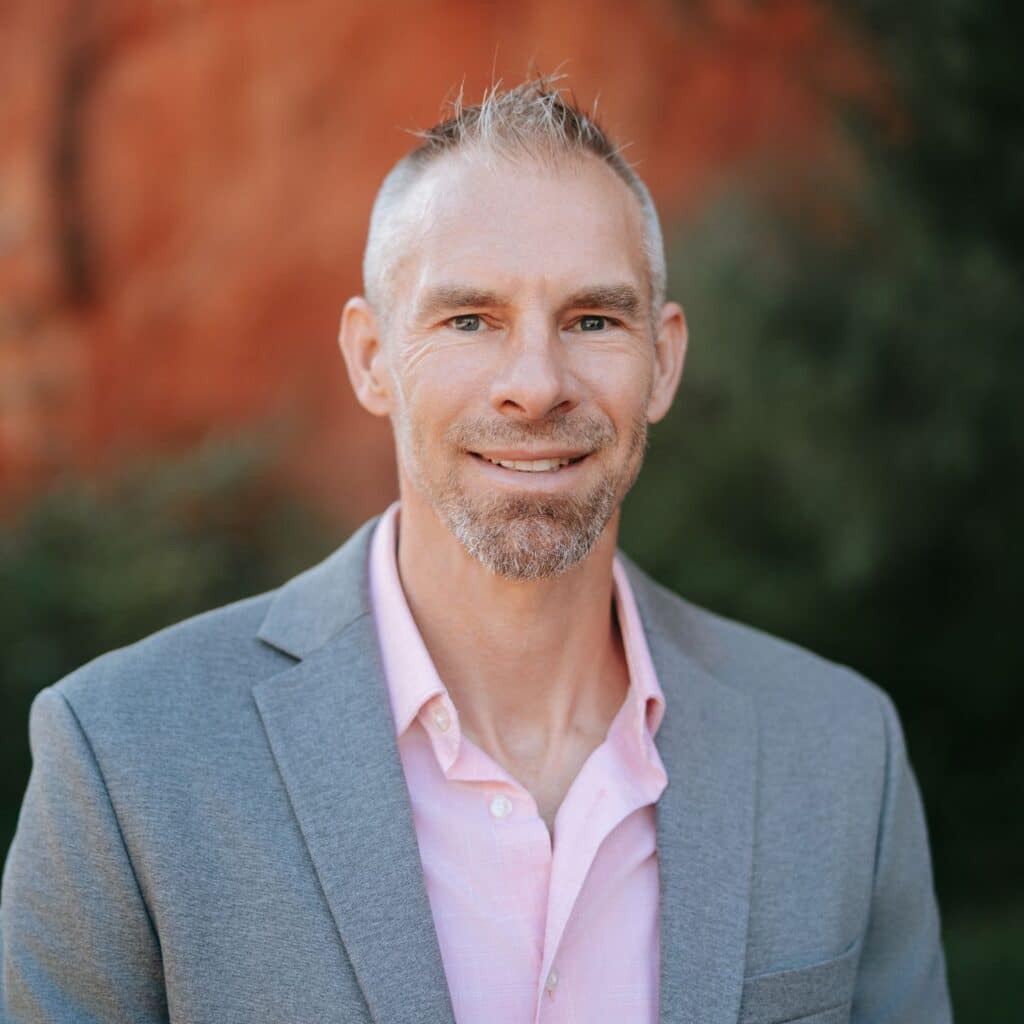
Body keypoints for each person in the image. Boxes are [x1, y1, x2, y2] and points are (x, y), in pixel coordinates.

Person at [0, 78, 951, 1024]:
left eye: (592, 319)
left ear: (663, 361)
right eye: (469, 320)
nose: (535, 385)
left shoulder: (841, 752)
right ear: (371, 358)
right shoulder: (123, 757)